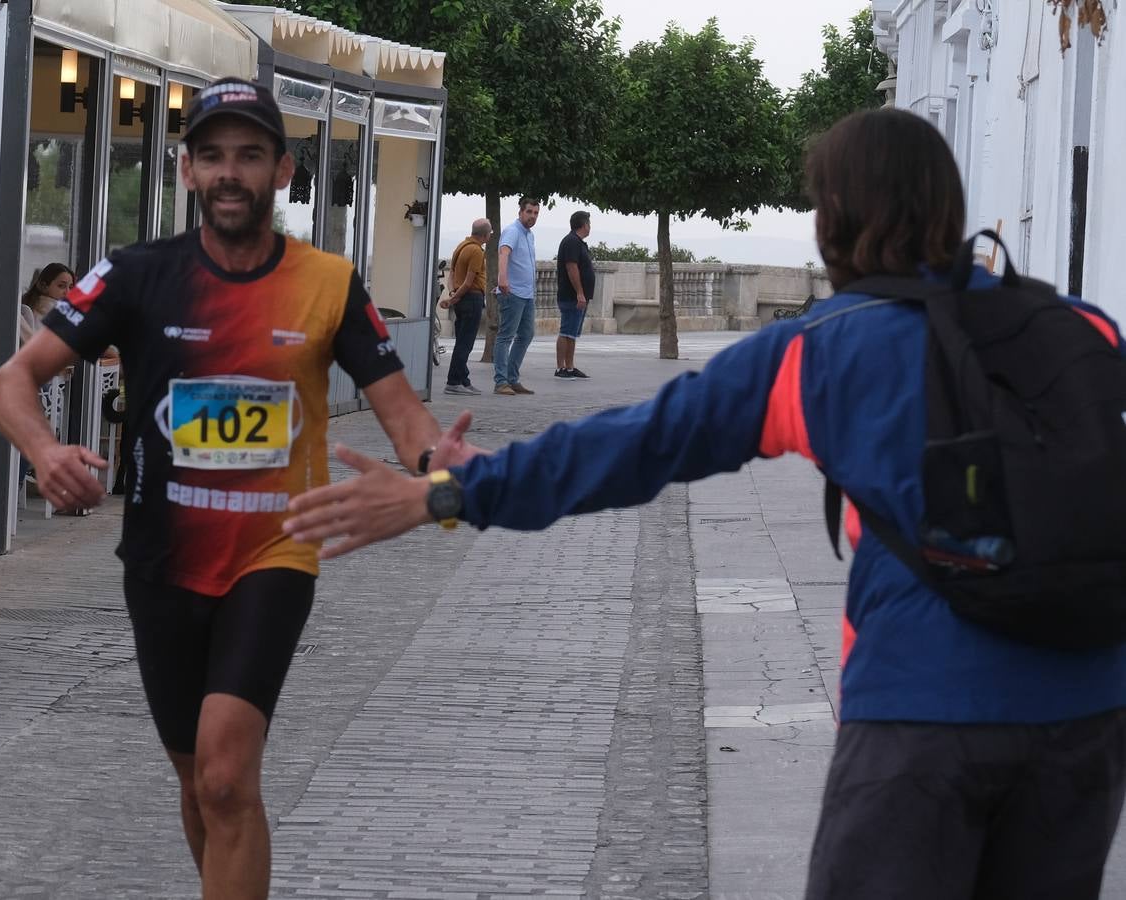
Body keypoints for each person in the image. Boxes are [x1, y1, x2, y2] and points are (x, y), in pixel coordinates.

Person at [285, 107, 1126, 900]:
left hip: (921, 716)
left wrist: (457, 488)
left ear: (833, 215)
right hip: (1086, 711)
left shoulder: (823, 351)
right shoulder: (1083, 329)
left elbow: (639, 444)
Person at [0, 77, 451, 900]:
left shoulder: (330, 283)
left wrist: (443, 477)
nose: (230, 171)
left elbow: (408, 421)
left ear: (282, 170)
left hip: (275, 553)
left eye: (249, 154)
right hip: (162, 558)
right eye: (212, 156)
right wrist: (43, 449)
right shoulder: (133, 275)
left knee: (228, 778)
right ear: (188, 171)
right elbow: (11, 382)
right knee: (199, 778)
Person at [493, 197, 539, 396]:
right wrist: (502, 280)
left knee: (526, 335)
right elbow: (504, 254)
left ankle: (512, 379)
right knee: (505, 336)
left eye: (536, 213)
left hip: (527, 294)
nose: (532, 216)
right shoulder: (513, 231)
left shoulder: (529, 235)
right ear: (521, 212)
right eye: (529, 212)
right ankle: (501, 382)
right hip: (512, 292)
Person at [440, 219, 492, 395]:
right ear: (485, 235)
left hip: (462, 299)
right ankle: (453, 382)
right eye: (490, 233)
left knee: (461, 341)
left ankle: (464, 380)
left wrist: (453, 293)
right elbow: (469, 282)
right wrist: (455, 297)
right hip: (472, 299)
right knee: (465, 344)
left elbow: (452, 274)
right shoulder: (476, 251)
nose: (491, 235)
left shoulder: (461, 246)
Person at [554, 210, 595, 379]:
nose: (590, 227)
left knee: (572, 333)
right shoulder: (571, 242)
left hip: (578, 297)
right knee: (566, 331)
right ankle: (560, 367)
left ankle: (570, 367)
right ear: (584, 224)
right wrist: (579, 292)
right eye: (589, 224)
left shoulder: (578, 242)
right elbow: (572, 268)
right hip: (571, 296)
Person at [17, 263, 73, 342]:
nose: (67, 292)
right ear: (43, 286)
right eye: (61, 286)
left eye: (70, 287)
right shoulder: (25, 313)